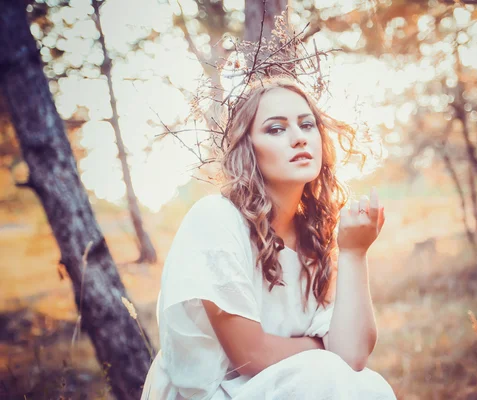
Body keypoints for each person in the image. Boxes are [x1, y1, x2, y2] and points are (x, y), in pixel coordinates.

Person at [141, 78, 395, 399]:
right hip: (213, 391)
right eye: (276, 129)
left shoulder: (317, 234)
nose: (299, 138)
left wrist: (354, 253)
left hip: (293, 386)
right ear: (248, 148)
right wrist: (321, 346)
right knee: (327, 373)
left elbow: (353, 355)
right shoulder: (215, 219)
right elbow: (251, 355)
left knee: (367, 385)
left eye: (307, 125)